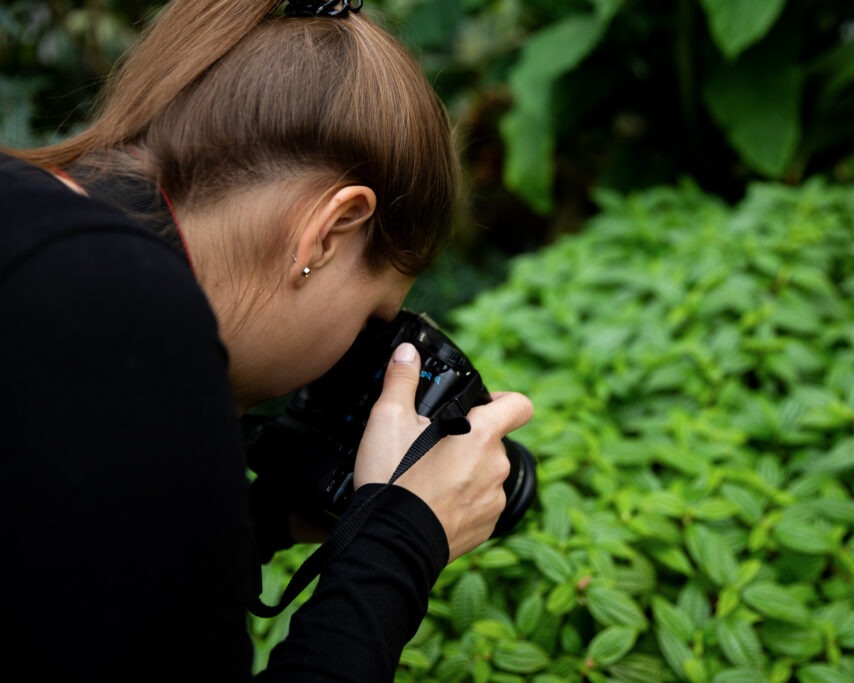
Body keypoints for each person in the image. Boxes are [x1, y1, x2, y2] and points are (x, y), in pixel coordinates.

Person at [0, 0, 533, 680]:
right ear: (331, 229)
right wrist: (401, 540)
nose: (353, 354)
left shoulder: (46, 240)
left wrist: (256, 519)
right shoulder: (144, 327)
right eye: (373, 317)